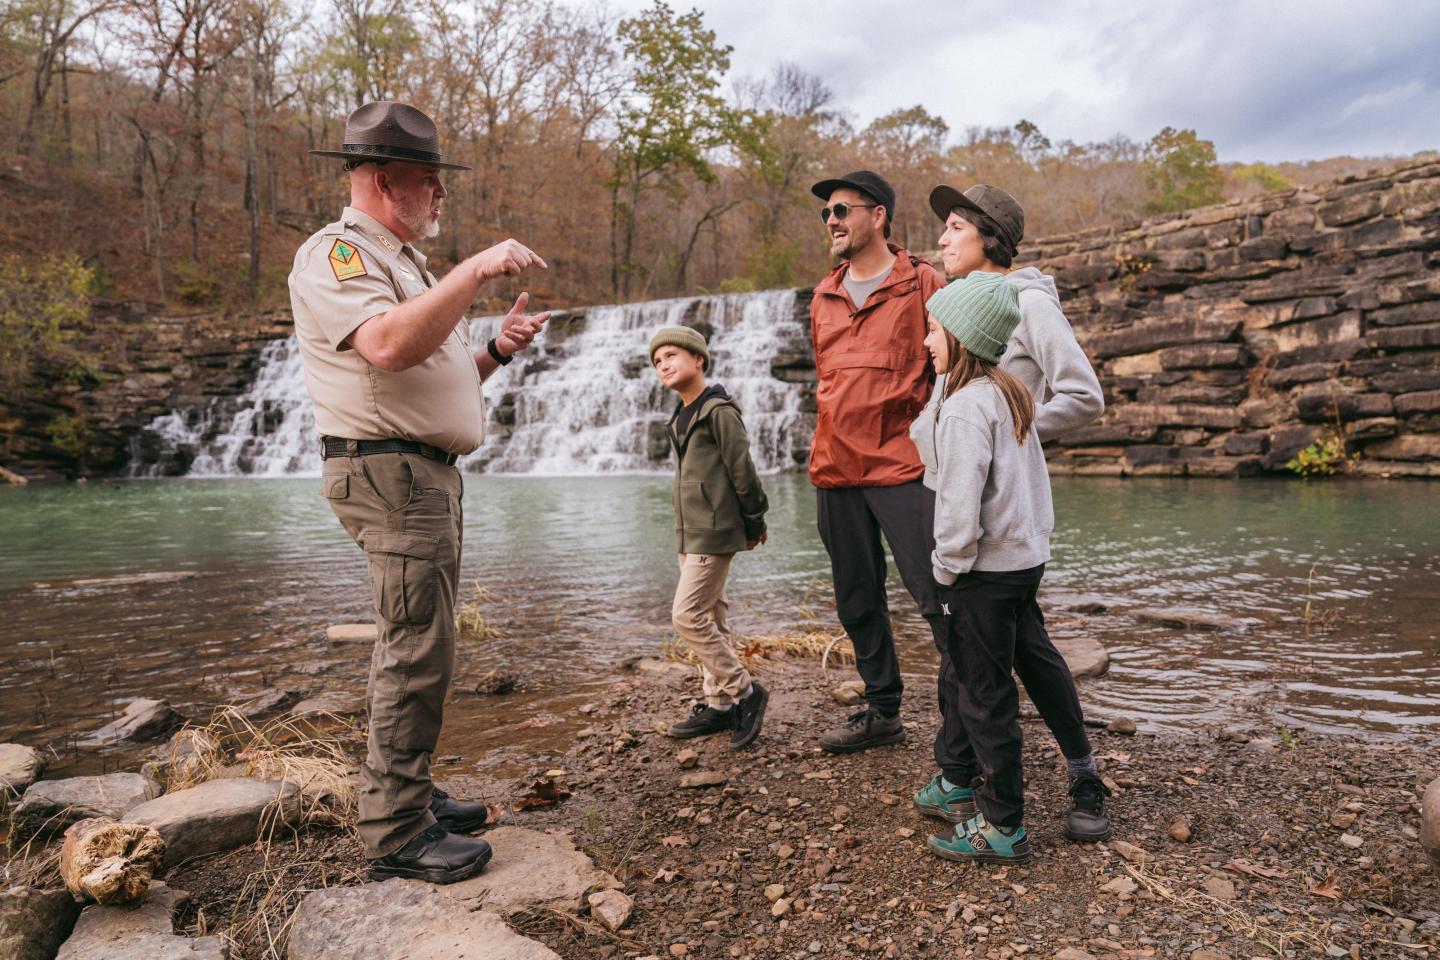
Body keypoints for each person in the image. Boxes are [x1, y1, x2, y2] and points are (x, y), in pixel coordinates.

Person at [288, 100, 550, 884]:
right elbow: (388, 346)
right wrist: (474, 269)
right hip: (390, 473)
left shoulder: (403, 264)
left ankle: (409, 791)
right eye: (428, 181)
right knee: (414, 646)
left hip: (418, 471)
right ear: (379, 179)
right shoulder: (336, 254)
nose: (441, 195)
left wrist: (496, 349)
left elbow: (435, 379)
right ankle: (397, 832)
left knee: (423, 641)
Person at [915, 182, 1111, 843]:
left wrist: (1012, 431)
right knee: (972, 652)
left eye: (953, 228)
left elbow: (1084, 396)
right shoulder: (962, 310)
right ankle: (960, 775)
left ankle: (1079, 776)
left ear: (988, 236)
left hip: (999, 524)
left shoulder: (1026, 302)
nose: (940, 240)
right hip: (963, 510)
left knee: (1023, 653)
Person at [806, 170, 953, 756]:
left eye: (843, 210)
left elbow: (949, 372)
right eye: (827, 214)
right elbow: (829, 381)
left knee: (937, 592)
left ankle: (963, 714)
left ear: (879, 216)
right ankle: (882, 709)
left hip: (904, 466)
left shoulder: (925, 283)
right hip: (835, 467)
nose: (833, 221)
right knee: (856, 597)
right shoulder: (823, 295)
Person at [911, 271, 1054, 863]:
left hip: (982, 576)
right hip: (1023, 564)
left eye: (933, 330)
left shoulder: (967, 407)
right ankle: (971, 789)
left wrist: (946, 570)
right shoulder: (1008, 392)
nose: (925, 343)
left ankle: (1003, 826)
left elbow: (959, 505)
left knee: (984, 695)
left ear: (963, 337)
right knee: (984, 685)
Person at [650, 325, 770, 749]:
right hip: (690, 531)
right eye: (657, 361)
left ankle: (745, 692)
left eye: (671, 356)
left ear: (698, 359)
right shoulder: (680, 415)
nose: (663, 364)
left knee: (686, 616)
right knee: (713, 616)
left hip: (714, 532)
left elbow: (743, 470)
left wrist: (755, 520)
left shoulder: (717, 410)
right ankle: (719, 704)